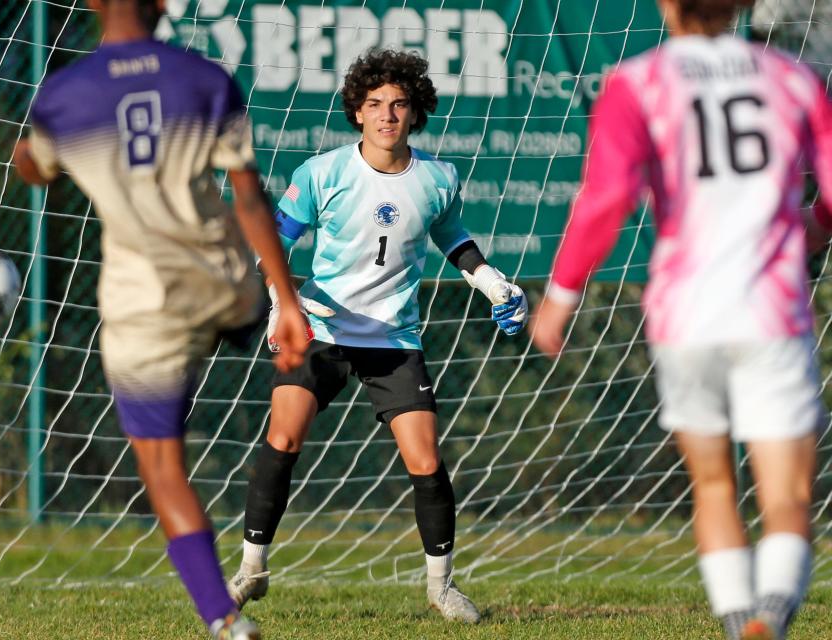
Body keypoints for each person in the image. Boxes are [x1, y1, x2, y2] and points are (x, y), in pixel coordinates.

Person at [530, 1, 832, 639]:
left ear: (668, 5)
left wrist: (562, 292)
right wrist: (813, 226)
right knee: (787, 499)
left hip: (685, 316)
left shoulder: (637, 82)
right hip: (772, 312)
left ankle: (735, 624)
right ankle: (772, 618)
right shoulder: (792, 77)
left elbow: (606, 196)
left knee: (715, 486)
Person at [12, 1, 309, 638]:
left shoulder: (63, 97)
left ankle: (224, 620)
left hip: (145, 298)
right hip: (226, 283)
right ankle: (244, 324)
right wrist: (285, 301)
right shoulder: (205, 78)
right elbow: (249, 195)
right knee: (229, 309)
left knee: (161, 465)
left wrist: (34, 156)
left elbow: (34, 168)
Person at [226, 47, 528, 624]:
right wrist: (278, 305)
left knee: (425, 459)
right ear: (356, 113)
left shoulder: (439, 178)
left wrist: (493, 284)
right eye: (374, 105)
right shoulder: (324, 173)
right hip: (319, 325)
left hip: (393, 339)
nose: (387, 114)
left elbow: (452, 235)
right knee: (283, 438)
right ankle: (252, 569)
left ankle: (441, 586)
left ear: (415, 113)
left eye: (399, 104)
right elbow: (274, 244)